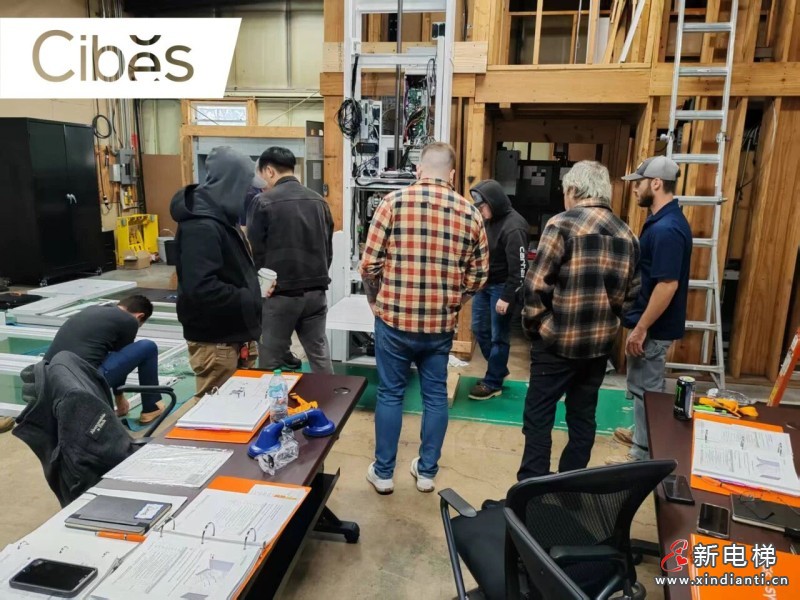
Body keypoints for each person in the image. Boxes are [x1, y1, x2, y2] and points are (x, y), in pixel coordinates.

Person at [360, 142, 489, 494]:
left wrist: (375, 299)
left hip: (394, 321)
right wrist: (454, 302)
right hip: (439, 327)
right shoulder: (470, 213)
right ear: (452, 174)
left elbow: (369, 265)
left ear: (418, 170)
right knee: (434, 395)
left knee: (390, 393)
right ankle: (427, 472)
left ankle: (384, 474)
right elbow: (478, 278)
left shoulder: (392, 203)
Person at [518, 161, 640, 481]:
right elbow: (632, 296)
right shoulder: (627, 234)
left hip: (556, 343)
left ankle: (532, 489)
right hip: (598, 348)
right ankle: (570, 490)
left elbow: (535, 285)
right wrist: (609, 324)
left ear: (573, 190)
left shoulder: (561, 224)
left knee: (538, 417)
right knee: (583, 419)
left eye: (565, 192)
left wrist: (538, 328)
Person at [609, 156, 692, 463]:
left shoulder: (667, 229)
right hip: (647, 322)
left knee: (648, 390)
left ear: (656, 183)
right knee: (641, 385)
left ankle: (642, 454)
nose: (635, 189)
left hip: (653, 327)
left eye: (639, 183)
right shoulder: (661, 221)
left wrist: (642, 328)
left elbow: (667, 285)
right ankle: (641, 436)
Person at [171, 146, 265, 398]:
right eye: (246, 187)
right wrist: (249, 296)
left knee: (242, 406)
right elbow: (201, 288)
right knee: (215, 413)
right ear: (232, 183)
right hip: (216, 341)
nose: (249, 193)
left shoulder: (222, 217)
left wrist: (254, 287)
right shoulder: (201, 226)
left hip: (234, 333)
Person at [247, 147, 335, 374]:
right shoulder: (319, 201)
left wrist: (259, 288)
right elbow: (328, 249)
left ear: (269, 171)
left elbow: (255, 251)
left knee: (270, 361)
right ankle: (330, 396)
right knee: (319, 353)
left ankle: (276, 398)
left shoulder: (262, 201)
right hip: (316, 293)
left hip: (279, 295)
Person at [42, 295, 161, 423]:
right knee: (148, 347)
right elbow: (121, 359)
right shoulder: (129, 320)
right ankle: (151, 408)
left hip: (45, 381)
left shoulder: (91, 310)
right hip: (79, 383)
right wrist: (119, 399)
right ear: (140, 316)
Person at [468, 179, 528, 400]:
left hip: (503, 288)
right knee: (478, 329)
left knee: (499, 337)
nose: (481, 211)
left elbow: (520, 269)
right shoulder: (489, 220)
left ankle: (493, 382)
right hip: (485, 284)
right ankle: (498, 369)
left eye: (482, 207)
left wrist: (507, 297)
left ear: (493, 203)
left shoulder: (514, 227)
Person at [243, 177, 302, 371]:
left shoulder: (263, 199)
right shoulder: (254, 199)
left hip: (275, 271)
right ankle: (272, 363)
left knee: (276, 320)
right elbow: (250, 236)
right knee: (267, 323)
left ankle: (282, 353)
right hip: (262, 271)